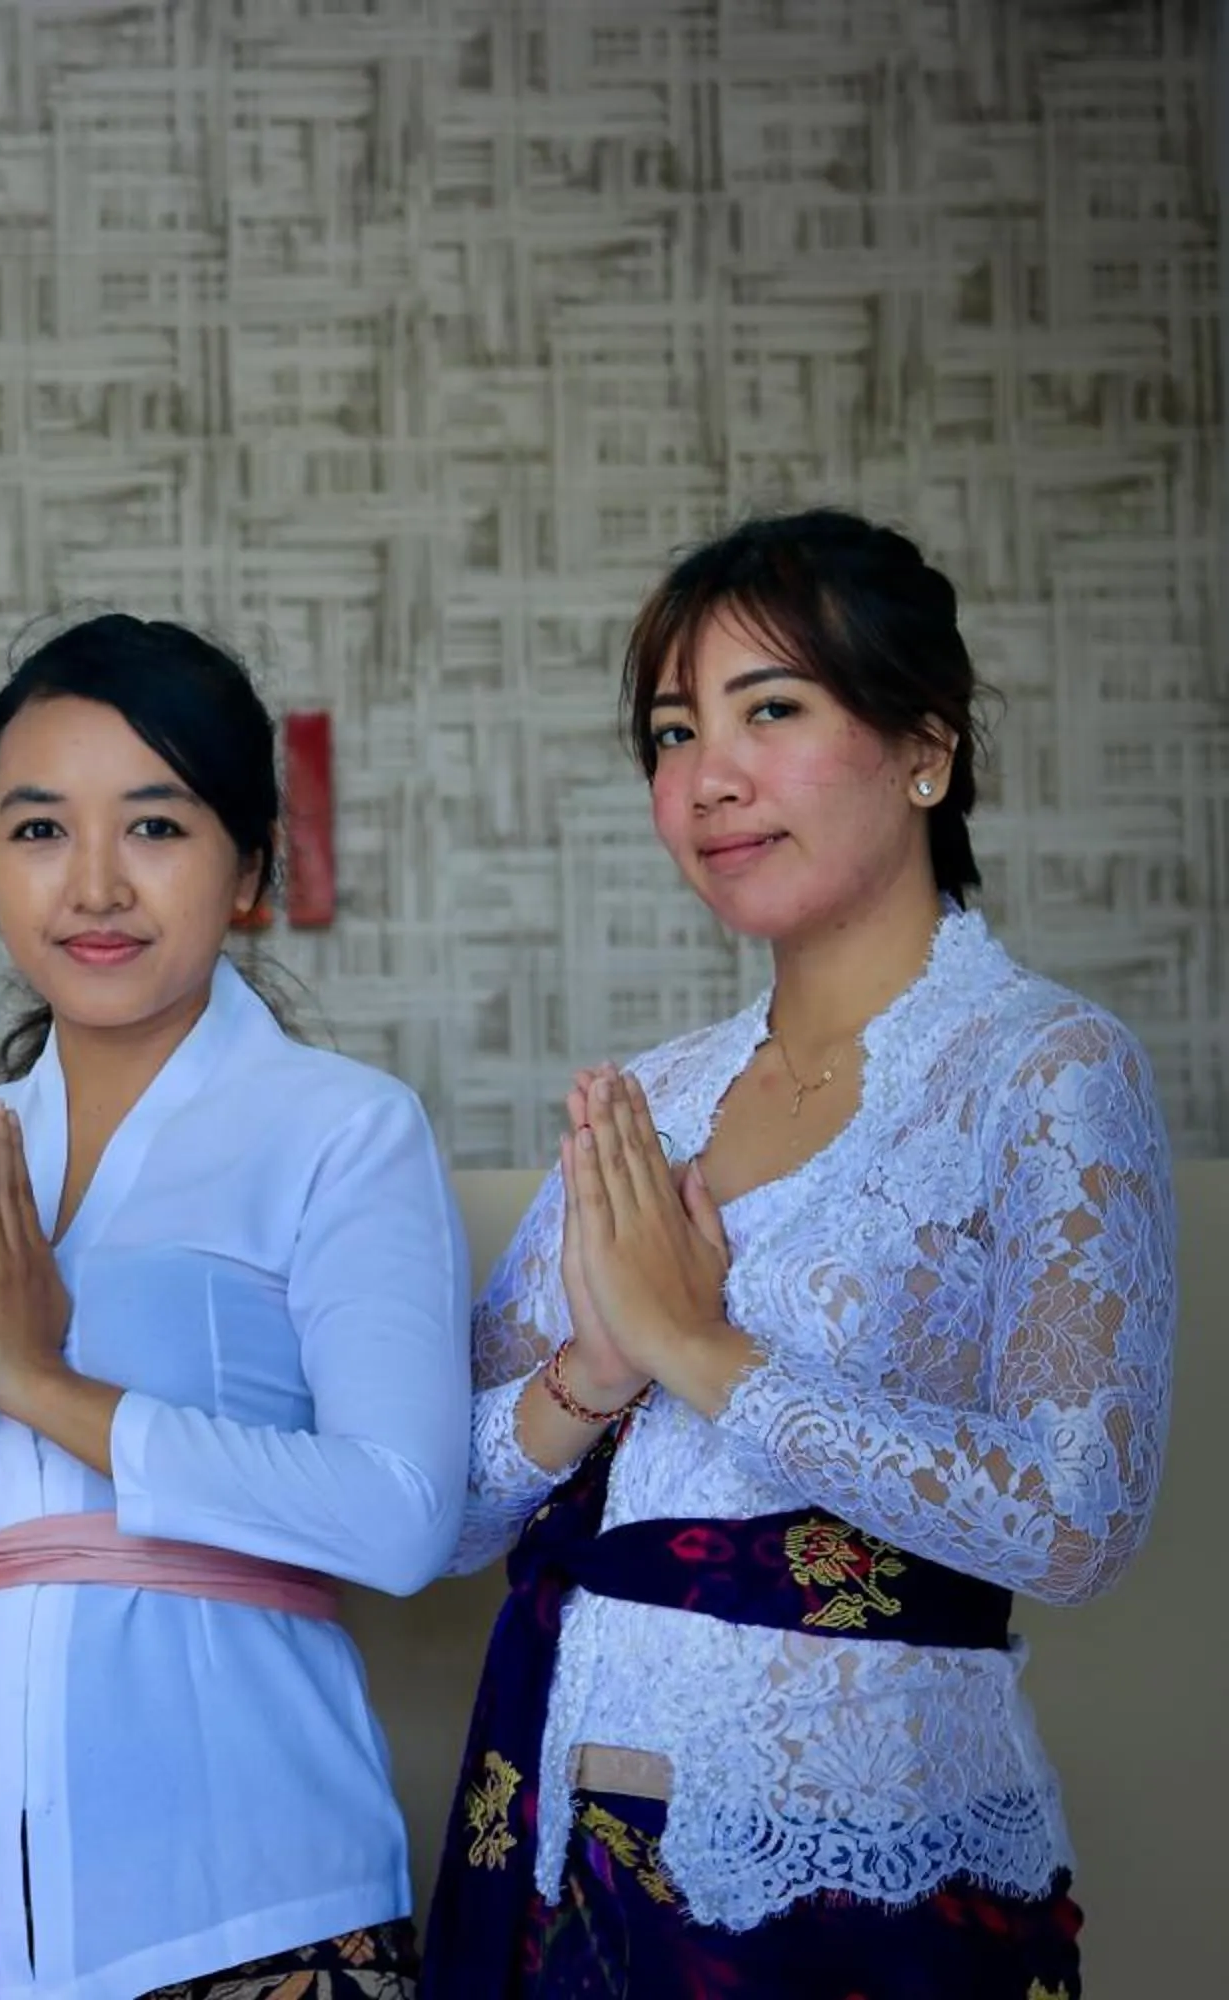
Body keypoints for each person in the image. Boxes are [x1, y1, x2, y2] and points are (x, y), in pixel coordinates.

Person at [423, 509, 1175, 1999]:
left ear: (926, 750)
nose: (709, 779)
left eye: (772, 709)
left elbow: (1083, 1519)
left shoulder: (1046, 1068)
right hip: (571, 1830)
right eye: (671, 732)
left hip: (868, 1866)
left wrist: (702, 1352)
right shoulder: (652, 1101)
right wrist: (599, 1362)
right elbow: (438, 1510)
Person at [0, 614, 469, 1999]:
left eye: (154, 827)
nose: (92, 885)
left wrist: (40, 1381)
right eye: (35, 831)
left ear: (249, 865)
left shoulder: (341, 1130)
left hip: (256, 1894)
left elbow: (399, 1514)